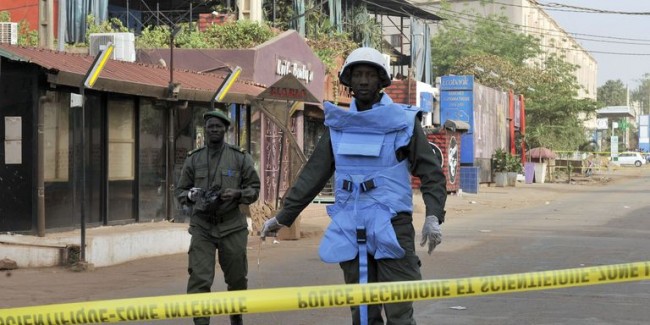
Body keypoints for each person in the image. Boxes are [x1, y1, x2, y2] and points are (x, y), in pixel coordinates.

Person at [261, 47, 447, 325]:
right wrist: (284, 216)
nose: (362, 81)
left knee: (399, 312)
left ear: (381, 80)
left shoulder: (404, 122)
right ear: (348, 81)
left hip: (393, 225)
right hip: (350, 225)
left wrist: (433, 216)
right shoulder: (339, 125)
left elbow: (432, 173)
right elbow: (313, 174)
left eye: (369, 75)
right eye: (357, 75)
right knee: (362, 313)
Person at [176, 110, 260, 325]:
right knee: (199, 279)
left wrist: (238, 194)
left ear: (226, 129)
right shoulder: (194, 159)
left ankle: (236, 317)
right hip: (202, 226)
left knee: (237, 278)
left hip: (232, 225)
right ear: (205, 129)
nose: (214, 130)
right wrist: (191, 195)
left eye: (218, 126)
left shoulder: (240, 157)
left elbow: (254, 188)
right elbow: (180, 191)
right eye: (210, 126)